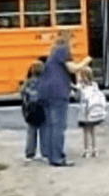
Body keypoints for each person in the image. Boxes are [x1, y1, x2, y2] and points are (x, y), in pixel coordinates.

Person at [38, 31, 92, 167]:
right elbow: (73, 68)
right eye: (72, 43)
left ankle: (49, 154)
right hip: (58, 93)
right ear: (67, 41)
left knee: (50, 124)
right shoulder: (62, 51)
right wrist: (87, 60)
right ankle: (57, 157)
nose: (73, 46)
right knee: (58, 126)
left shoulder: (53, 53)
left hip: (45, 92)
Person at [74, 66, 108, 158]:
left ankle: (86, 151)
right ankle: (95, 150)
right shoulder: (94, 85)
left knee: (85, 132)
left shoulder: (81, 86)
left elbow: (76, 97)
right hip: (93, 110)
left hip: (85, 111)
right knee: (93, 131)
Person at [21, 61, 45, 161]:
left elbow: (23, 96)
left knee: (31, 131)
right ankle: (45, 152)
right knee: (44, 131)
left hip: (31, 109)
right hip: (42, 108)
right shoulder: (45, 82)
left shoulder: (27, 83)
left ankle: (30, 153)